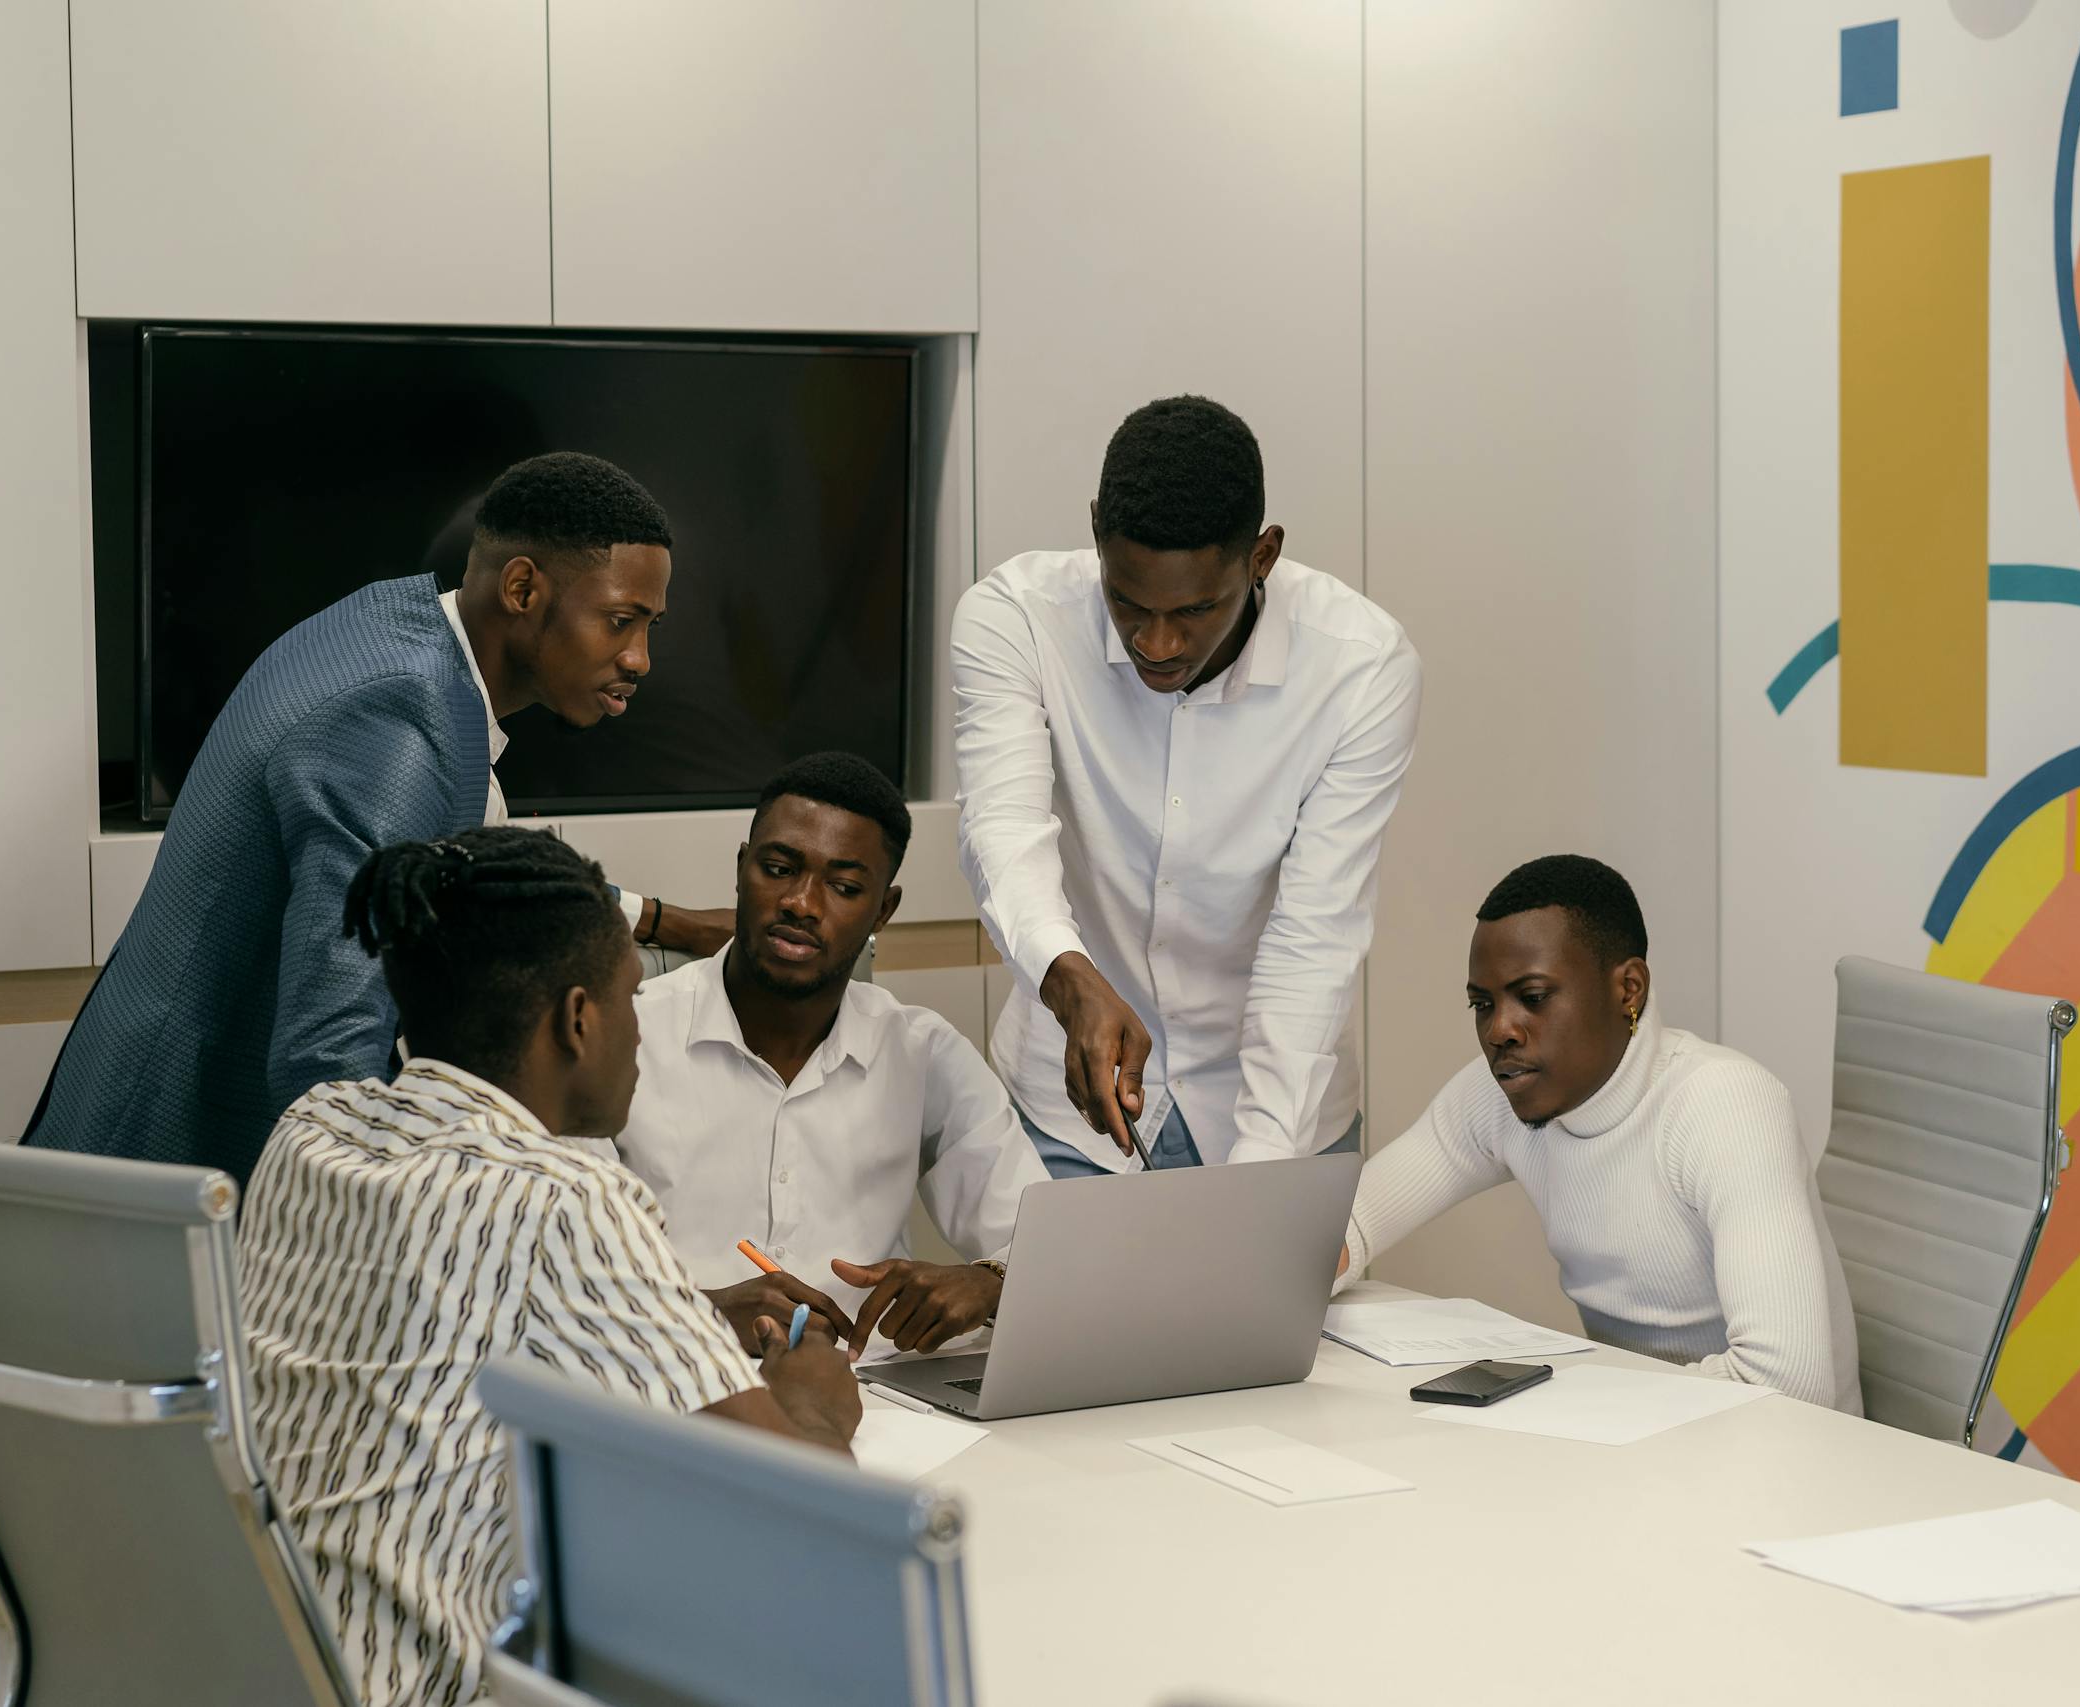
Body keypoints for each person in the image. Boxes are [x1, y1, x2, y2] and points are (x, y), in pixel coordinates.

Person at [238, 827, 861, 1707]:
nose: (643, 1039)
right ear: (578, 1019)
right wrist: (815, 1406)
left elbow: (435, 1338)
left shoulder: (315, 1128)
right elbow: (815, 1524)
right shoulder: (566, 1195)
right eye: (631, 1003)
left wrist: (677, 1318)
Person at [25, 452, 729, 1185]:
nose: (642, 658)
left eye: (649, 626)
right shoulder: (396, 729)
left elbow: (457, 873)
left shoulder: (405, 636)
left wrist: (659, 919)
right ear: (522, 587)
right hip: (164, 1165)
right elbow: (327, 1061)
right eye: (621, 621)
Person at [953, 395, 1421, 1177]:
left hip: (1281, 1107)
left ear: (1262, 555)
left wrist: (1257, 1179)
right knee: (1059, 1305)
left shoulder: (1361, 667)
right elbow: (1003, 832)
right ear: (1098, 531)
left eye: (1195, 610)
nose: (1157, 642)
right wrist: (1070, 983)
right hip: (1067, 1116)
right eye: (1127, 603)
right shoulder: (1016, 618)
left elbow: (1315, 938)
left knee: (1265, 1302)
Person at [1337, 855, 1862, 1413]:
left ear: (1628, 989)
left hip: (1781, 1466)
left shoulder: (1723, 1105)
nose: (1499, 1031)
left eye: (1533, 998)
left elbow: (1790, 1388)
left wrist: (1563, 1393)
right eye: (1482, 1004)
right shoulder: (1500, 1093)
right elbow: (1349, 1226)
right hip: (1631, 1444)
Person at [619, 752, 1050, 1358]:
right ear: (742, 869)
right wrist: (705, 1311)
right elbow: (544, 1276)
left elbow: (1039, 1236)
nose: (802, 902)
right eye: (778, 869)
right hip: (670, 1390)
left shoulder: (920, 1051)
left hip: (876, 1410)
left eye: (845, 887)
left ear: (883, 910)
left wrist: (990, 1280)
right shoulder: (624, 1037)